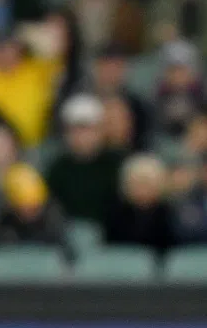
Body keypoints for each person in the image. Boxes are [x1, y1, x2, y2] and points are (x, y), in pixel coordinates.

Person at [45, 94, 124, 225]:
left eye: (87, 130)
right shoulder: (57, 168)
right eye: (75, 130)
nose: (82, 137)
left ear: (101, 130)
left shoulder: (116, 165)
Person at [104, 153, 177, 256]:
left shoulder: (169, 215)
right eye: (136, 184)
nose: (142, 190)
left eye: (147, 184)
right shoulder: (116, 215)